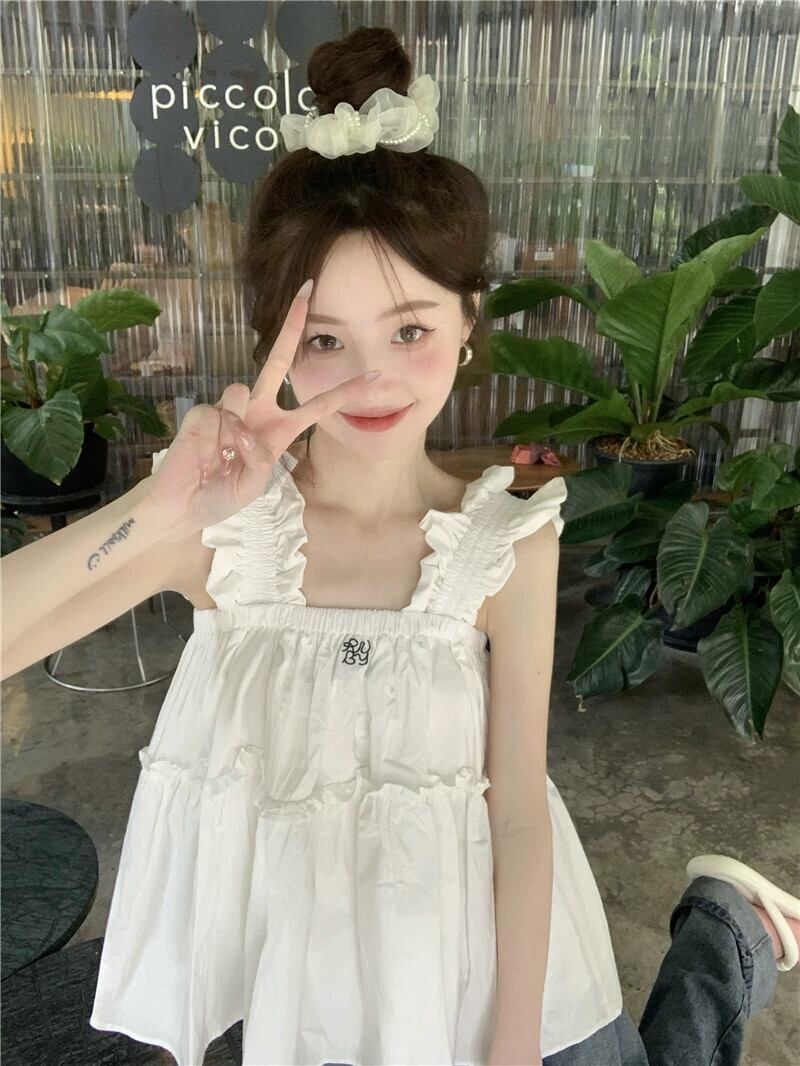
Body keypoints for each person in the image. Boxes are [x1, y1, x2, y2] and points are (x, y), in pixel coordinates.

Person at [2, 25, 798, 1066]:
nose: (368, 378)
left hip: (486, 957)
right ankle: (730, 927)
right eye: (324, 338)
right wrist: (155, 512)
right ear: (274, 342)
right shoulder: (223, 535)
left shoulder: (504, 540)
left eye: (409, 330)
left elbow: (519, 810)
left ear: (468, 322)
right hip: (305, 984)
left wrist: (511, 1049)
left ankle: (724, 935)